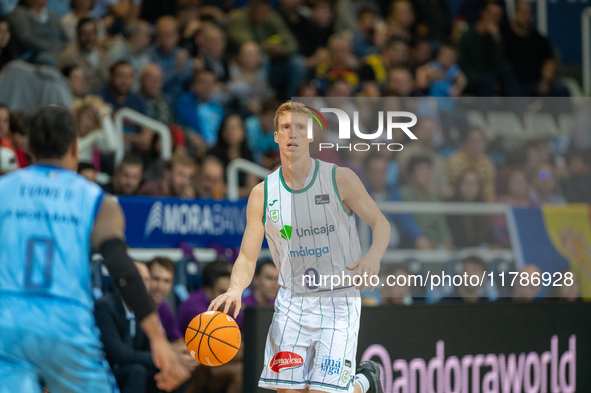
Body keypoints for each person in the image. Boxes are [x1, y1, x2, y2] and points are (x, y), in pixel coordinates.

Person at [0, 105, 188, 392]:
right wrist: (157, 338)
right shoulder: (98, 201)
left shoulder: (4, 188)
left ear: (28, 146)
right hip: (64, 325)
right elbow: (122, 269)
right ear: (75, 148)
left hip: (7, 322)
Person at [208, 100, 390, 393]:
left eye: (300, 128)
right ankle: (363, 383)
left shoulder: (339, 178)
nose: (292, 134)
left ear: (310, 135)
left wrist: (374, 256)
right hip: (292, 302)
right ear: (276, 136)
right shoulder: (262, 193)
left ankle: (363, 382)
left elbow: (380, 223)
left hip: (338, 300)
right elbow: (246, 255)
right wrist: (235, 288)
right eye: (285, 127)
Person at [95, 261, 169, 393]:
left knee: (173, 371)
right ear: (122, 282)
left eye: (146, 280)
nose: (143, 285)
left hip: (134, 367)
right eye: (139, 279)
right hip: (107, 371)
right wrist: (159, 357)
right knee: (137, 371)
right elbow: (118, 354)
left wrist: (170, 361)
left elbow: (151, 346)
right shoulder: (105, 306)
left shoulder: (146, 309)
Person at [502, 1, 568, 97]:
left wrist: (545, 82)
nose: (525, 16)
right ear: (515, 13)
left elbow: (549, 63)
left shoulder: (539, 39)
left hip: (535, 83)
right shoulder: (503, 36)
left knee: (561, 91)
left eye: (529, 13)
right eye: (523, 12)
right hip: (511, 83)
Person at [457, 1, 519, 96]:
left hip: (490, 77)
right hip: (472, 77)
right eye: (492, 14)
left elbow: (501, 64)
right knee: (487, 80)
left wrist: (496, 38)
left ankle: (520, 108)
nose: (495, 19)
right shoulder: (468, 35)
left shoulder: (497, 37)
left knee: (507, 70)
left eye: (498, 16)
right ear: (483, 13)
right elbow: (462, 65)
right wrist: (483, 78)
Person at [400, 156, 453, 249]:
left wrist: (447, 242)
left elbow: (442, 225)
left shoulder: (434, 197)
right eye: (422, 171)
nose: (426, 175)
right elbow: (409, 226)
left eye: (429, 171)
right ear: (411, 175)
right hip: (413, 245)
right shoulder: (403, 195)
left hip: (437, 247)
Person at [207, 114, 257, 198]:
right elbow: (216, 188)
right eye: (227, 127)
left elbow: (253, 189)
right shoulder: (213, 153)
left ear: (243, 132)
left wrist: (228, 190)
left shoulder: (249, 154)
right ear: (222, 131)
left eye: (235, 127)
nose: (231, 131)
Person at [8, 0, 68, 65]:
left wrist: (65, 48)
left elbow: (65, 37)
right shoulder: (19, 14)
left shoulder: (51, 15)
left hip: (59, 51)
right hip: (33, 55)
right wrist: (52, 48)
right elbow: (25, 38)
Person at [58, 17, 109, 93]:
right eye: (84, 34)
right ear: (77, 35)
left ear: (96, 35)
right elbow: (64, 86)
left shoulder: (103, 54)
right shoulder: (68, 57)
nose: (89, 38)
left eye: (92, 33)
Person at [147, 16, 193, 99]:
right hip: (159, 99)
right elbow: (156, 84)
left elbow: (188, 80)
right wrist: (177, 71)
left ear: (177, 36)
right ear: (157, 36)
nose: (166, 39)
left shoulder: (182, 53)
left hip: (180, 101)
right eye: (162, 35)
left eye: (170, 35)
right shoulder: (149, 55)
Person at [446, 169, 494, 248]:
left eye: (473, 184)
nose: (469, 188)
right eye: (466, 183)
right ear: (459, 185)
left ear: (479, 188)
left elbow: (488, 236)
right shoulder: (451, 205)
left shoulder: (483, 207)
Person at [447, 128, 496, 202]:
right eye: (474, 141)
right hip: (458, 200)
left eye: (481, 142)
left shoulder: (488, 163)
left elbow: (489, 190)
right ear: (466, 143)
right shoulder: (456, 161)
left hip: (480, 202)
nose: (477, 145)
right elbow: (451, 188)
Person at [73, 94, 118, 167]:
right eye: (88, 117)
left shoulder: (96, 136)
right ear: (80, 114)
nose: (90, 124)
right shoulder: (68, 130)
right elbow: (74, 150)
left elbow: (111, 146)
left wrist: (103, 113)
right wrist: (93, 137)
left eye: (95, 121)